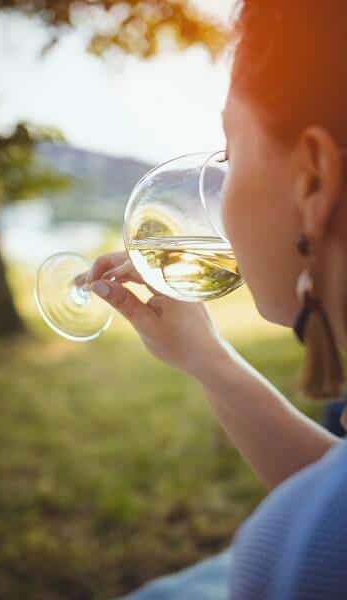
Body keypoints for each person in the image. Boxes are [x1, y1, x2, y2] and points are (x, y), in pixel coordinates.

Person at [77, 1, 347, 598]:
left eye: (230, 152)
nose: (219, 190)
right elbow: (333, 483)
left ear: (314, 179)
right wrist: (206, 359)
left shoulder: (291, 560)